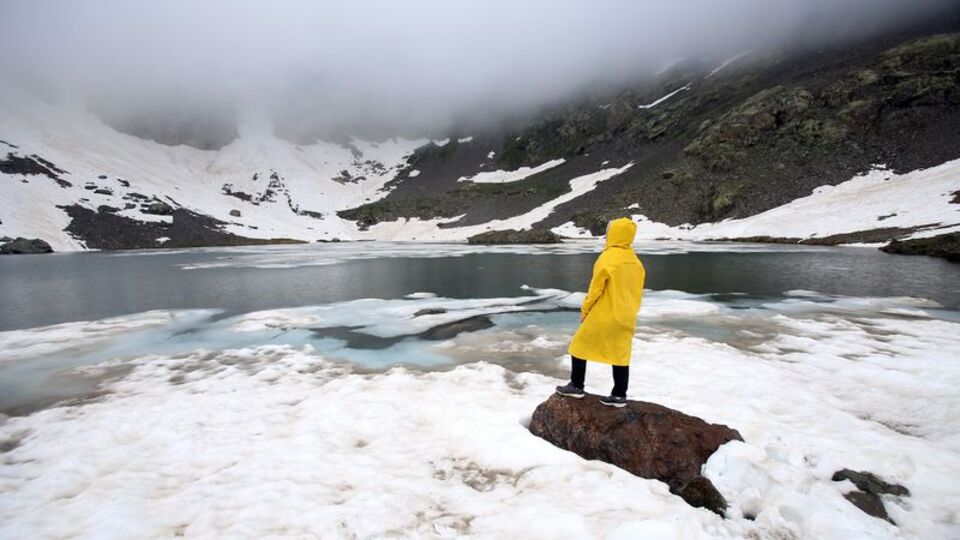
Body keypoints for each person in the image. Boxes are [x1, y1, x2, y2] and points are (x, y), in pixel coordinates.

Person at [556, 217, 645, 407]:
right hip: (627, 314)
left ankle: (576, 386)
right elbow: (636, 291)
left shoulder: (608, 258)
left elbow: (595, 290)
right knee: (620, 353)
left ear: (613, 234)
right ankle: (619, 395)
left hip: (605, 313)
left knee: (579, 346)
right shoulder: (635, 261)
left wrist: (585, 310)